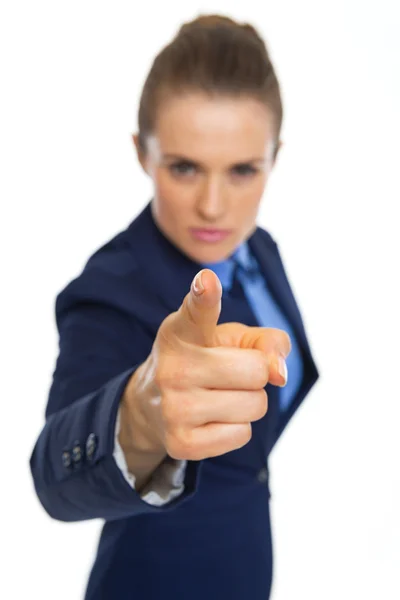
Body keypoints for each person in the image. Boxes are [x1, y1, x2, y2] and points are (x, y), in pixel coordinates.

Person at [30, 13, 319, 600]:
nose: (214, 206)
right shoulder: (109, 290)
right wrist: (141, 416)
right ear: (143, 153)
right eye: (184, 167)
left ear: (275, 158)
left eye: (243, 170)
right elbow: (54, 476)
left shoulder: (260, 249)